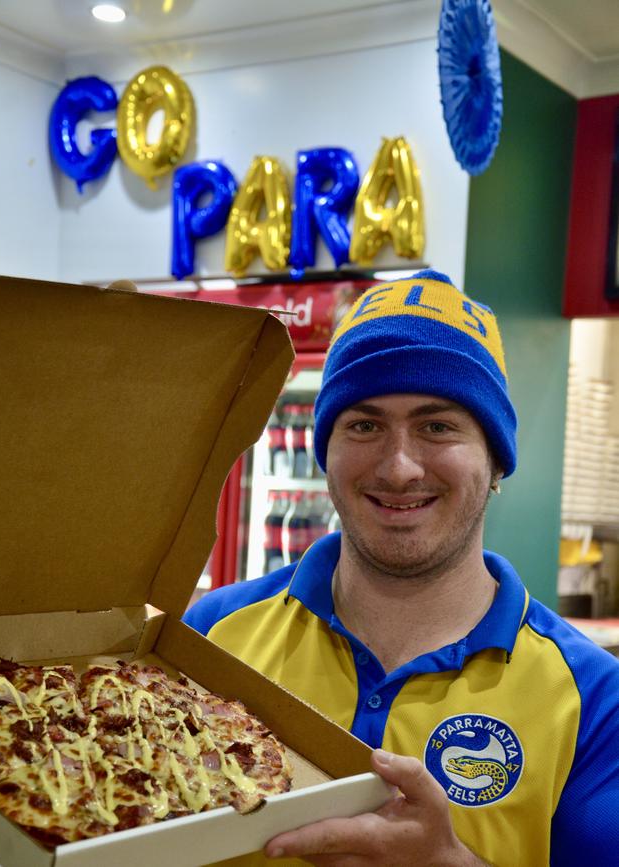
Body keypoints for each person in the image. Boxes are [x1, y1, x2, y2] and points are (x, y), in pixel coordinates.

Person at [185, 270, 619, 867]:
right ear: (327, 452)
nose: (398, 468)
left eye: (437, 426)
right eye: (364, 425)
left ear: (496, 461)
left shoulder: (594, 699)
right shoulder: (208, 634)